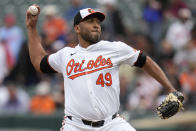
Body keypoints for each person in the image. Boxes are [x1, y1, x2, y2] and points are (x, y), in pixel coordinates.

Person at [26, 5, 182, 131]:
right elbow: (39, 62)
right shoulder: (66, 55)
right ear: (77, 28)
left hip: (111, 124)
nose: (96, 25)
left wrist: (170, 89)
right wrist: (32, 28)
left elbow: (145, 61)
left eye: (97, 22)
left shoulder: (115, 49)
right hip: (75, 126)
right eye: (90, 21)